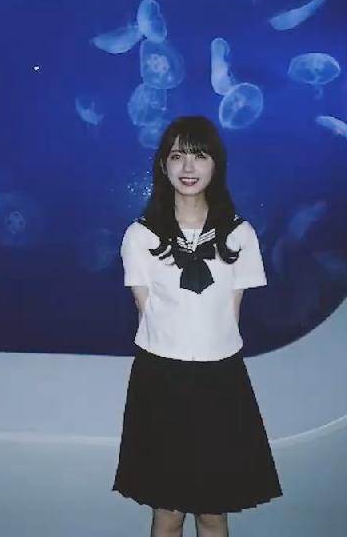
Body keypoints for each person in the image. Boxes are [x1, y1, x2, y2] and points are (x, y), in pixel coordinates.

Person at [112, 116, 282, 537]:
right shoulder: (140, 237)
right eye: (177, 156)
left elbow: (230, 316)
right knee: (167, 514)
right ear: (163, 165)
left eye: (200, 155)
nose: (188, 167)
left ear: (216, 164)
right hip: (161, 379)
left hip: (220, 380)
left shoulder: (240, 235)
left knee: (213, 514)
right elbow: (149, 313)